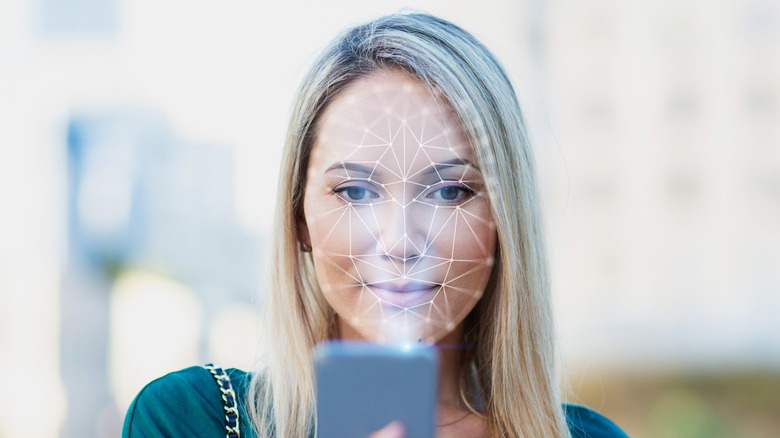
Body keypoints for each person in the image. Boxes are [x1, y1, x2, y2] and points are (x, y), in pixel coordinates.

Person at [122, 12, 629, 438]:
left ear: (503, 220)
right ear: (298, 215)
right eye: (355, 192)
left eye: (450, 191)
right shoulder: (193, 419)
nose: (401, 241)